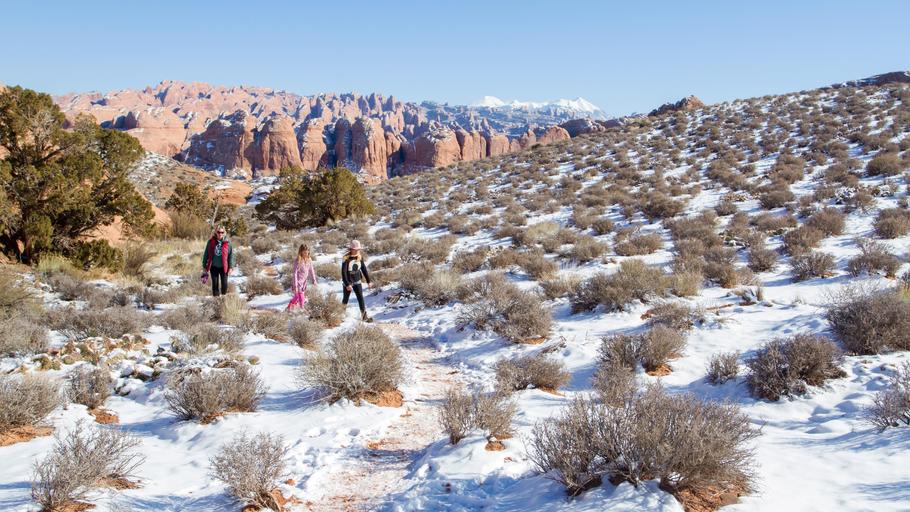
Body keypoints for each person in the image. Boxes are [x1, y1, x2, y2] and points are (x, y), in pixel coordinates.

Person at [341, 239, 373, 322]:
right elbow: (343, 273)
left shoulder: (359, 257)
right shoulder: (346, 258)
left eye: (359, 249)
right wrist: (347, 284)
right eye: (356, 249)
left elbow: (364, 269)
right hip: (348, 283)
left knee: (360, 298)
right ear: (352, 249)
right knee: (345, 299)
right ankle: (340, 315)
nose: (358, 250)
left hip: (357, 281)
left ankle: (364, 316)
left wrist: (368, 281)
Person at [202, 226, 234, 297]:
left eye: (222, 232)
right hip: (213, 267)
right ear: (216, 232)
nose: (220, 234)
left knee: (224, 284)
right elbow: (206, 254)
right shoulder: (210, 242)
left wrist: (231, 267)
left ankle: (223, 298)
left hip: (224, 267)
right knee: (215, 284)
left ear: (224, 233)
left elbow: (231, 255)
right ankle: (216, 300)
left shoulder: (228, 243)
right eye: (219, 232)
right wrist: (204, 266)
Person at [287, 244, 317, 311]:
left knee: (296, 297)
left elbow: (311, 270)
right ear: (301, 252)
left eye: (307, 252)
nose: (306, 253)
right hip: (297, 283)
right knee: (301, 297)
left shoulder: (309, 259)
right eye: (304, 252)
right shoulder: (297, 261)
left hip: (304, 282)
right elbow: (294, 273)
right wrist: (295, 286)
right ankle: (302, 310)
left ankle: (289, 307)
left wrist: (314, 280)